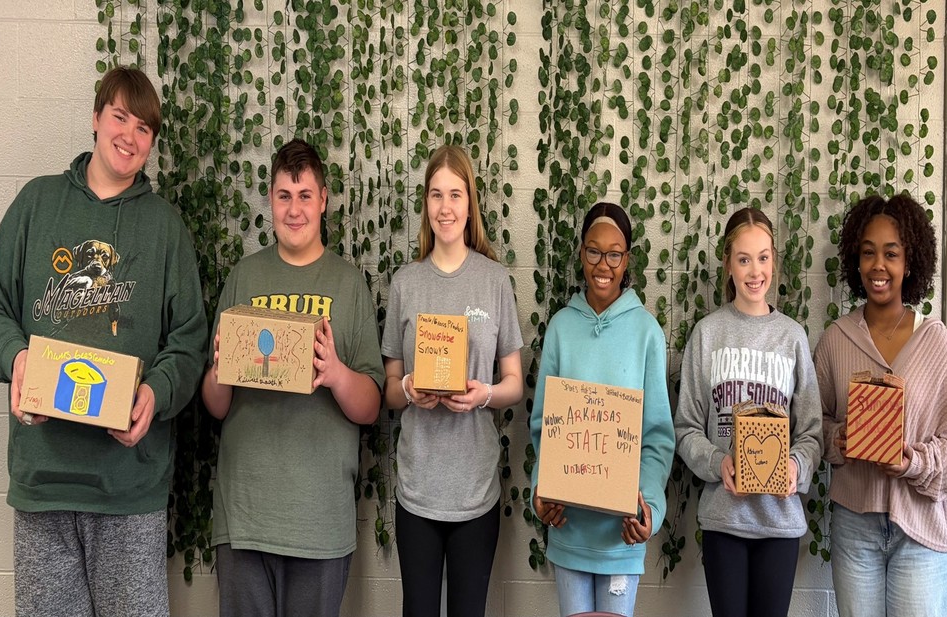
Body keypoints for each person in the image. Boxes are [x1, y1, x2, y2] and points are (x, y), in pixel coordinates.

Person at [0, 66, 207, 617]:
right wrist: (16, 356)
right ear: (96, 118)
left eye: (144, 127)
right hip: (44, 483)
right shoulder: (36, 204)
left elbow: (190, 341)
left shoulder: (165, 228)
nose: (129, 135)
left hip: (130, 487)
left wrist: (157, 392)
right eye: (120, 117)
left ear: (152, 143)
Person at [200, 138, 384, 617]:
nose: (295, 209)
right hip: (244, 518)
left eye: (305, 196)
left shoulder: (348, 284)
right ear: (270, 201)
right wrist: (220, 369)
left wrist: (337, 374)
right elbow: (215, 405)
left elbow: (370, 407)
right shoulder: (243, 278)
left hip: (320, 524)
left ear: (324, 200)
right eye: (284, 196)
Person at [813, 194, 947, 617]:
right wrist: (840, 439)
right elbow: (812, 426)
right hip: (855, 529)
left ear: (910, 262)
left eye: (891, 253)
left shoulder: (937, 343)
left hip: (922, 532)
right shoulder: (836, 340)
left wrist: (916, 462)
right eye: (868, 253)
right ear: (856, 259)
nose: (878, 266)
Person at [380, 144, 524, 617]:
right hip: (418, 491)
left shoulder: (494, 280)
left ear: (470, 204)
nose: (445, 207)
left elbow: (514, 384)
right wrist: (407, 390)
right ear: (426, 203)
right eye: (436, 195)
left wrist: (484, 395)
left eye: (456, 195)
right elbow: (390, 387)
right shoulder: (405, 284)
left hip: (476, 493)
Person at [674, 207, 823, 617]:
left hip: (779, 523)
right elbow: (686, 427)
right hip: (725, 520)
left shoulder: (793, 338)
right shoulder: (707, 335)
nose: (754, 271)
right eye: (743, 259)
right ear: (728, 264)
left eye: (762, 257)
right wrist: (718, 463)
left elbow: (811, 432)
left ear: (774, 259)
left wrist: (795, 466)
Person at [529, 202, 675, 617]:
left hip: (621, 538)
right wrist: (541, 493)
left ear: (627, 259)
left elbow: (657, 437)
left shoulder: (646, 331)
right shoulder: (560, 327)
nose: (603, 265)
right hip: (570, 532)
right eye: (594, 251)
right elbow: (544, 426)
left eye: (614, 254)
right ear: (581, 253)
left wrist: (648, 507)